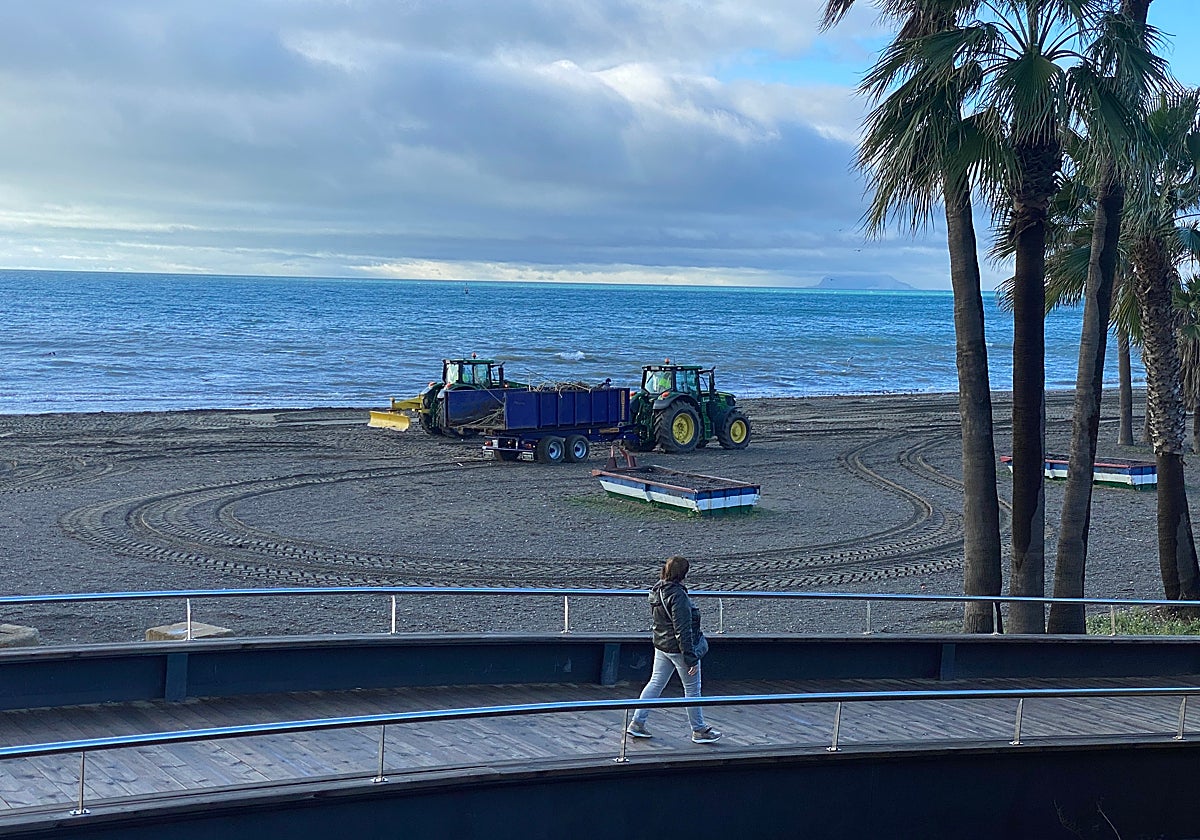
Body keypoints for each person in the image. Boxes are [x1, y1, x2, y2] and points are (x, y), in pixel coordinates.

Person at [626, 555, 722, 744]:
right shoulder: (678, 596)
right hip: (679, 650)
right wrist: (691, 658)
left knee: (655, 683)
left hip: (662, 645)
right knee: (692, 689)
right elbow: (683, 629)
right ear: (683, 574)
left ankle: (637, 722)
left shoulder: (657, 590)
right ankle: (699, 730)